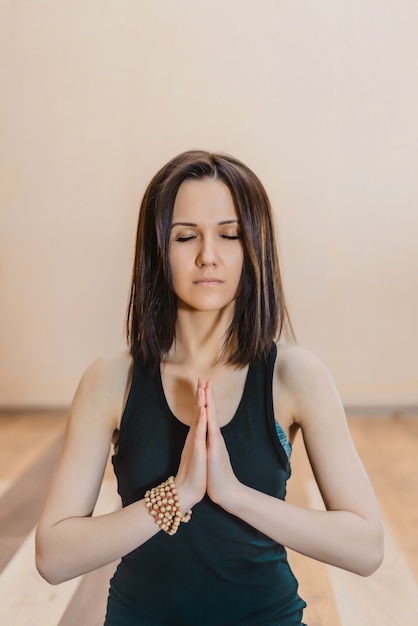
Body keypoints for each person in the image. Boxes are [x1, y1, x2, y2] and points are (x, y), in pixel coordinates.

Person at [36, 150, 384, 625]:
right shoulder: (110, 380)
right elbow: (53, 557)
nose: (208, 256)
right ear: (159, 249)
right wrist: (175, 496)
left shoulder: (296, 376)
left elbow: (366, 547)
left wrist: (234, 494)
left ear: (254, 246)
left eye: (229, 234)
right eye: (185, 236)